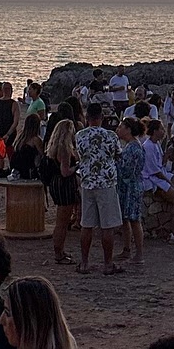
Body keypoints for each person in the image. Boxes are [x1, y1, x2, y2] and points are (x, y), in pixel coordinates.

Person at [75, 105, 124, 276]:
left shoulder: (80, 135)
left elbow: (79, 154)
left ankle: (84, 262)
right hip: (106, 182)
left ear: (87, 117)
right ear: (101, 117)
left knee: (86, 224)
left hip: (87, 182)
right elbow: (118, 154)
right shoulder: (110, 136)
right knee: (107, 226)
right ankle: (108, 263)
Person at [42, 115, 80, 265]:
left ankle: (60, 250)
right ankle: (58, 253)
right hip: (64, 184)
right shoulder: (64, 149)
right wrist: (77, 166)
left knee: (62, 220)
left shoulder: (54, 146)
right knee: (62, 222)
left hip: (57, 183)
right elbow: (65, 171)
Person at [116, 115, 147, 266]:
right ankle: (127, 249)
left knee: (134, 219)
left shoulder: (133, 148)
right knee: (126, 219)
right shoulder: (132, 145)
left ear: (128, 129)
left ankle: (139, 253)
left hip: (131, 186)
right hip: (128, 185)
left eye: (121, 127)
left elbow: (126, 170)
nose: (118, 129)